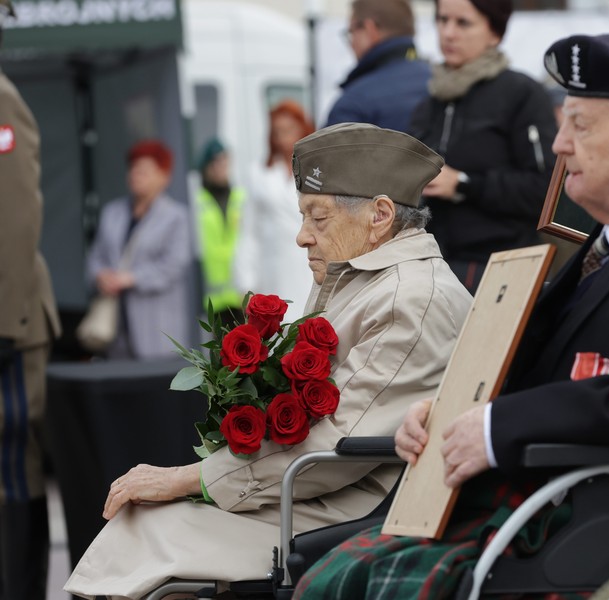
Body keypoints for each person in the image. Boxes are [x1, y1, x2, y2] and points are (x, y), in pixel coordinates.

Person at [293, 34, 609, 599]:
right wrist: (452, 413)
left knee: (349, 581)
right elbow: (570, 366)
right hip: (569, 498)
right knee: (332, 573)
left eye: (581, 126)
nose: (560, 144)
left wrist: (501, 428)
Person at [63, 123, 473, 599]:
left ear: (380, 214)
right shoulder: (367, 277)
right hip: (321, 489)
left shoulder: (409, 297)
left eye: (318, 218)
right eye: (304, 217)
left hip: (351, 505)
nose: (302, 236)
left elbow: (337, 446)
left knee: (150, 529)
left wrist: (191, 478)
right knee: (143, 523)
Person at [411, 0, 557, 292]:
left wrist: (464, 185)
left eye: (463, 23)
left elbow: (546, 191)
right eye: (442, 20)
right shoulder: (429, 103)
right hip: (430, 271)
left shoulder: (523, 95)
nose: (448, 33)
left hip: (500, 274)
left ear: (495, 32)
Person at [0, 1, 62, 597]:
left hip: (9, 322)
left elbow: (15, 216)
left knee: (12, 471)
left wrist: (5, 320)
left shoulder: (0, 98)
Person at [85, 139, 192, 359]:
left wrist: (130, 279)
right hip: (116, 329)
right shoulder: (112, 212)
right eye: (133, 168)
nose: (135, 174)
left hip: (157, 328)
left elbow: (174, 265)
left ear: (164, 176)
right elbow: (95, 256)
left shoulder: (176, 217)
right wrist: (100, 276)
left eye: (144, 170)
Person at [233, 100, 316, 322]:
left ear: (303, 129)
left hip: (310, 264)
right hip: (272, 267)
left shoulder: (318, 171)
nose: (284, 138)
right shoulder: (258, 174)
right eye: (278, 132)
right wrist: (245, 282)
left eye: (289, 130)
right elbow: (248, 230)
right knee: (278, 333)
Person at [325, 0, 430, 132]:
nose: (351, 44)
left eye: (351, 32)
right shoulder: (441, 85)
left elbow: (327, 151)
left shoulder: (354, 102)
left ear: (370, 29)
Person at [195, 137, 246, 329]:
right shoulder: (197, 201)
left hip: (240, 292)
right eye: (216, 163)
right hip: (213, 298)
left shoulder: (241, 197)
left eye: (224, 162)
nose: (221, 167)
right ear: (206, 167)